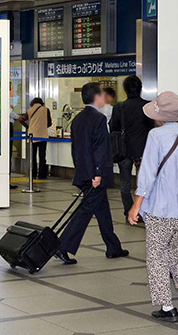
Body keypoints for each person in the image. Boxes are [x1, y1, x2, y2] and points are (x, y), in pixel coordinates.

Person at [127, 91, 178, 323]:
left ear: (159, 115)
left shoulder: (156, 136)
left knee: (157, 256)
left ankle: (167, 307)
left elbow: (147, 173)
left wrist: (136, 205)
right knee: (175, 252)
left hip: (162, 208)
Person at [54, 82, 128, 265]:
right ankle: (62, 247)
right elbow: (100, 149)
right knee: (85, 211)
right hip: (95, 175)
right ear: (96, 96)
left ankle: (113, 247)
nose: (104, 97)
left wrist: (82, 170)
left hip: (83, 172)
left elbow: (76, 149)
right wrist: (97, 174)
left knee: (102, 210)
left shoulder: (78, 119)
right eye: (102, 94)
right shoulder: (98, 119)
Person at [111, 76, 155, 221]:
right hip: (143, 151)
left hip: (124, 151)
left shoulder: (119, 107)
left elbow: (113, 128)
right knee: (143, 183)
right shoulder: (147, 106)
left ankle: (129, 212)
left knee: (125, 184)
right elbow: (151, 128)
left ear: (125, 89)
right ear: (140, 88)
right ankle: (142, 212)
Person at [26, 97, 51, 179]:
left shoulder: (29, 110)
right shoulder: (46, 110)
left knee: (33, 155)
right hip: (42, 135)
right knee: (42, 155)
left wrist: (28, 127)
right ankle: (42, 174)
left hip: (32, 135)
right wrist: (42, 126)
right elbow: (49, 123)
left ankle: (33, 174)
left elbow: (22, 120)